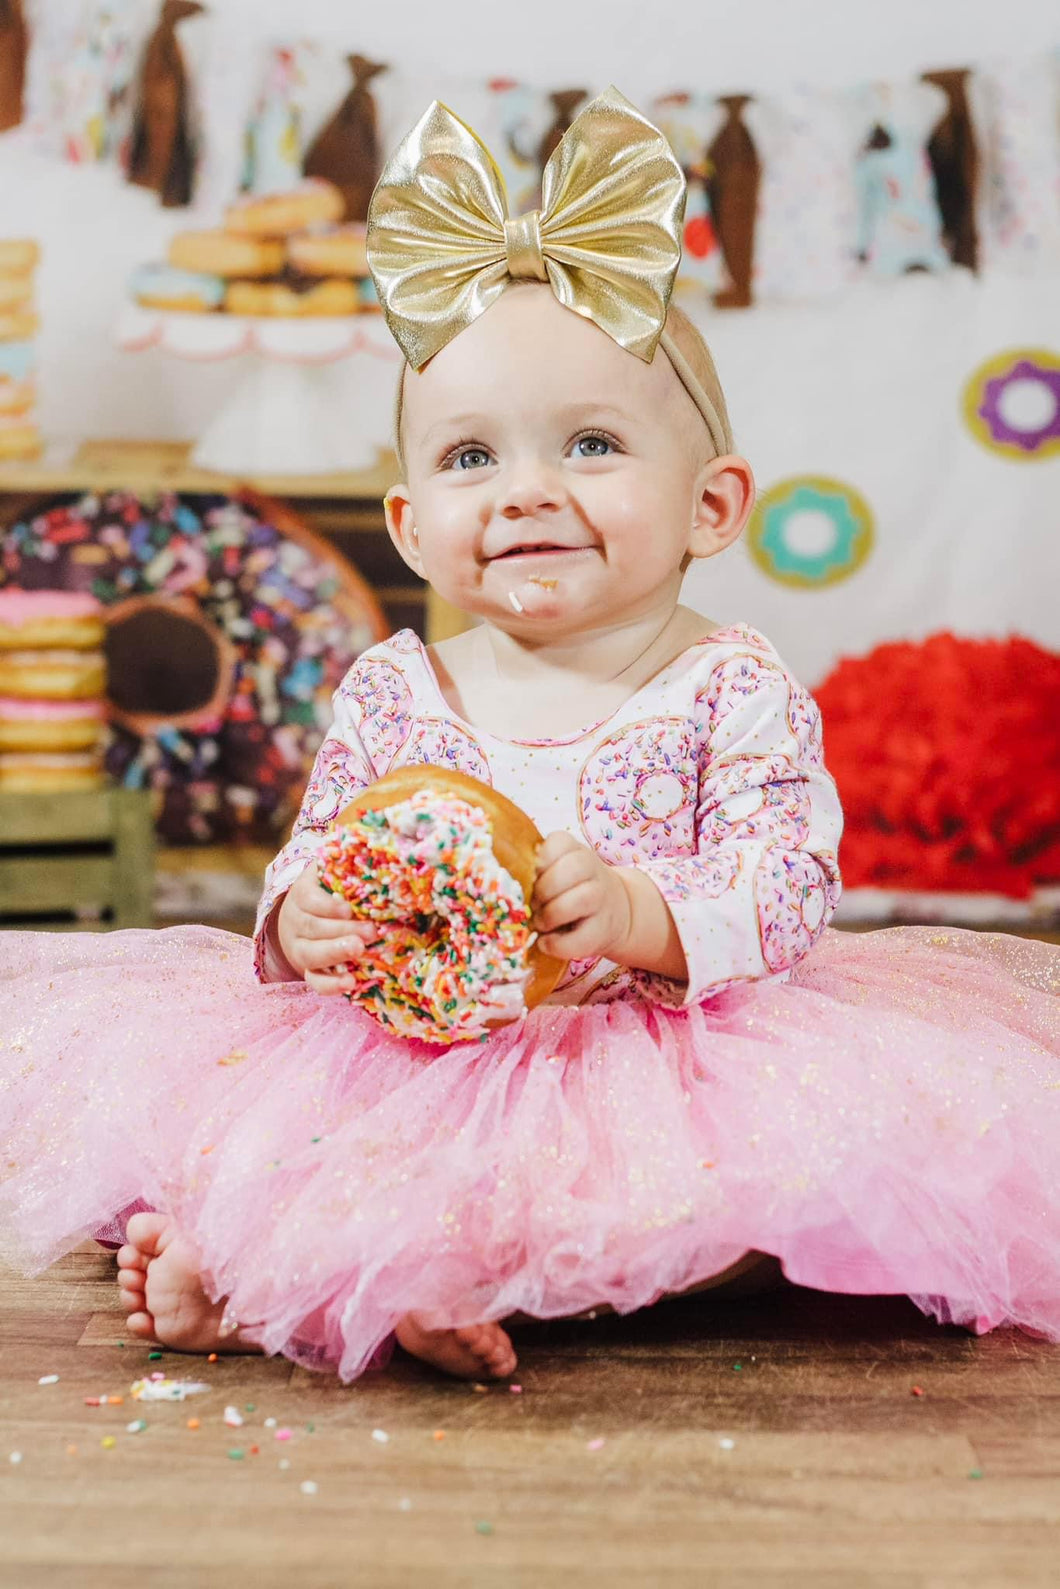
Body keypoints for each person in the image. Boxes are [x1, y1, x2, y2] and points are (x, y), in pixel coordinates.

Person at [1, 91, 1057, 1385]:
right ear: (407, 523)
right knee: (284, 1130)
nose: (527, 490)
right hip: (413, 1050)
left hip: (660, 1047)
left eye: (593, 443)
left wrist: (636, 913)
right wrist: (308, 916)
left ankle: (423, 1284)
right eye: (470, 457)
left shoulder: (729, 687)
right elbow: (312, 854)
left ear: (712, 504)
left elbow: (786, 889)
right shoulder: (398, 688)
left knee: (716, 1204)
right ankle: (260, 1258)